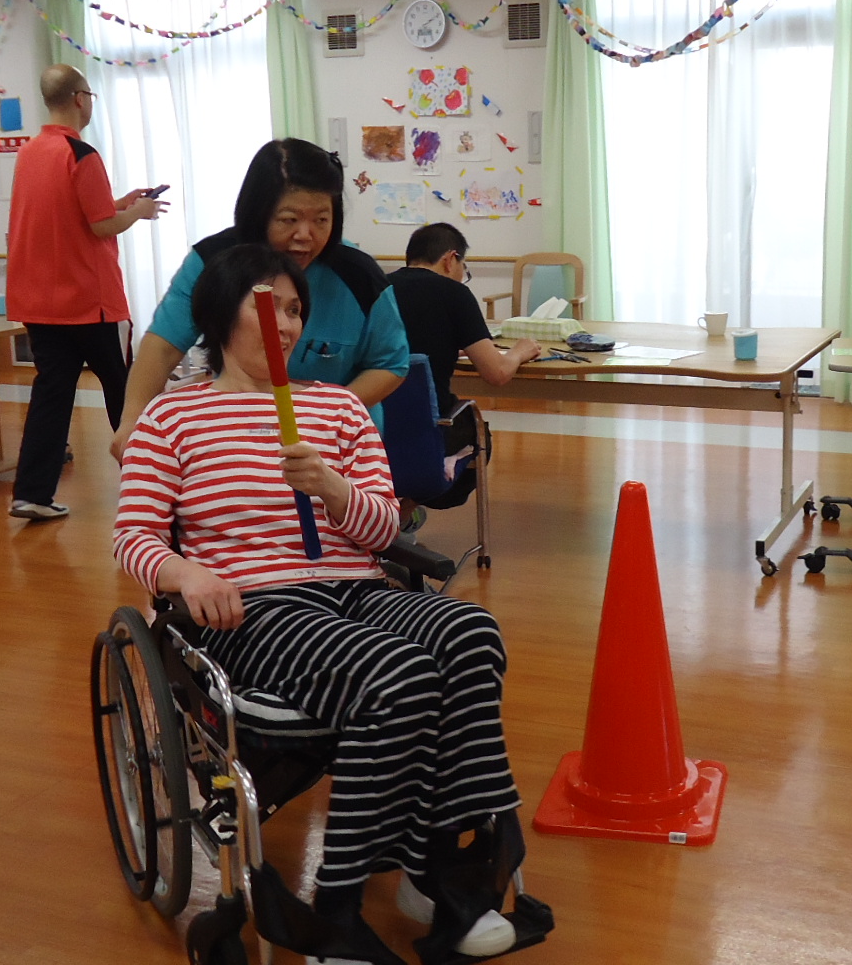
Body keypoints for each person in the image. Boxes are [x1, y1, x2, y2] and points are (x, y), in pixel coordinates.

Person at [113, 244, 525, 963]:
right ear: (221, 314)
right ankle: (339, 911)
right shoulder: (171, 419)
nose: (287, 323)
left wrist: (333, 488)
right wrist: (185, 573)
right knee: (398, 674)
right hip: (253, 607)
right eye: (268, 306)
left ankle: (433, 868)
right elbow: (134, 537)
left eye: (296, 309)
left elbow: (384, 529)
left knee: (472, 633)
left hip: (353, 586)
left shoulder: (336, 406)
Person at [112, 138, 407, 458]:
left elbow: (390, 364)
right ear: (258, 213)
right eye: (289, 219)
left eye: (321, 220)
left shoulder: (360, 276)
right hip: (239, 440)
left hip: (333, 443)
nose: (305, 235)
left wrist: (321, 415)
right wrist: (132, 422)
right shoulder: (213, 262)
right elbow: (164, 346)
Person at [5, 63, 163, 521]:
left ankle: (31, 493)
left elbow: (73, 215)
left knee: (51, 396)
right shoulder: (81, 153)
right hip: (91, 304)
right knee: (127, 392)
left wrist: (122, 202)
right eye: (90, 95)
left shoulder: (29, 152)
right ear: (80, 99)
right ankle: (153, 489)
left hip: (40, 303)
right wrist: (139, 212)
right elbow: (101, 227)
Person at [385, 223, 540, 510]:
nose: (461, 276)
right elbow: (497, 373)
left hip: (373, 427)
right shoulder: (454, 293)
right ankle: (405, 513)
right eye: (463, 268)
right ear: (450, 258)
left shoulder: (378, 287)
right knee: (479, 434)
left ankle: (390, 512)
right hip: (430, 430)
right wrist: (519, 352)